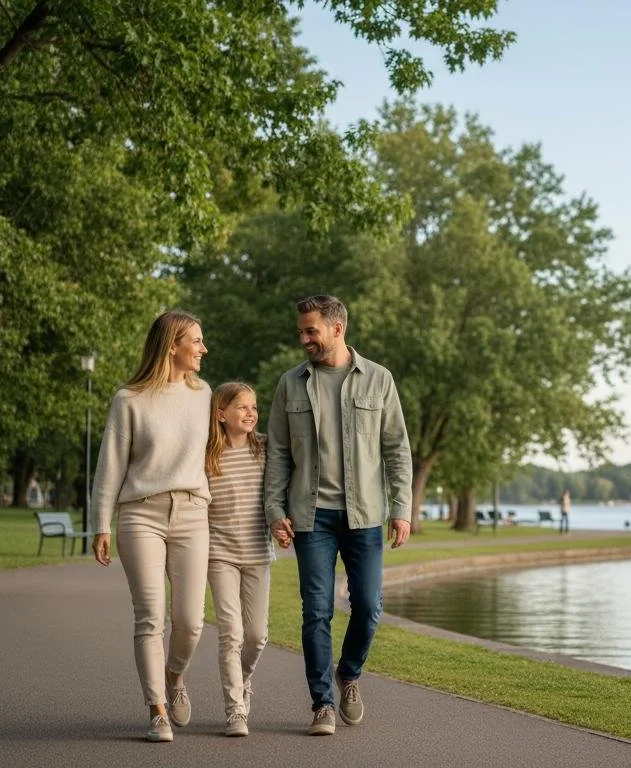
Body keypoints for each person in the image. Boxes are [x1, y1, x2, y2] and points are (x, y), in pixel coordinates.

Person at [264, 295, 413, 737]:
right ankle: (322, 703)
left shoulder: (378, 379)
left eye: (311, 330)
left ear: (336, 328)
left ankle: (348, 674)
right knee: (317, 611)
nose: (304, 339)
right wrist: (275, 509)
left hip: (364, 514)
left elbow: (397, 450)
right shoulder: (290, 384)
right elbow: (277, 454)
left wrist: (401, 508)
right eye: (301, 331)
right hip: (311, 517)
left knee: (368, 607)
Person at [90, 309, 211, 743]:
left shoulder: (203, 394)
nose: (203, 349)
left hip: (194, 513)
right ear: (172, 344)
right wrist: (100, 523)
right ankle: (157, 711)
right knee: (150, 617)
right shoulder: (130, 399)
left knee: (191, 620)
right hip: (141, 514)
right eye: (196, 341)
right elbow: (110, 466)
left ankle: (174, 676)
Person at [205, 382, 274, 738]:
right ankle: (235, 710)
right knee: (231, 634)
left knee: (258, 635)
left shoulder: (264, 449)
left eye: (254, 407)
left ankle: (243, 680)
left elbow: (279, 492)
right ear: (221, 414)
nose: (251, 413)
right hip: (220, 555)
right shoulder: (207, 456)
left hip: (257, 554)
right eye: (242, 407)